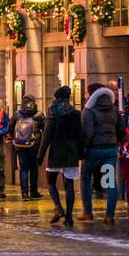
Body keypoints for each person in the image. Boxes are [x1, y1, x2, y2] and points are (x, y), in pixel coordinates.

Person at [80, 83, 123, 224]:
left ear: (92, 95)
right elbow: (121, 129)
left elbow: (87, 133)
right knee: (110, 181)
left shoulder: (89, 111)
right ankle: (109, 216)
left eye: (87, 93)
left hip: (94, 150)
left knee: (86, 177)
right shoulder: (114, 110)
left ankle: (88, 212)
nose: (86, 95)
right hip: (110, 150)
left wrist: (83, 149)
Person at [39, 86, 82, 227]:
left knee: (50, 181)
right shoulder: (76, 113)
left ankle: (58, 207)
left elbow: (46, 136)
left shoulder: (52, 113)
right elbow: (79, 135)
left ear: (56, 98)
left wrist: (40, 155)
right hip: (71, 152)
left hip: (56, 152)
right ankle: (69, 217)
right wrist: (80, 153)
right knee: (69, 184)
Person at [9, 95, 45, 200]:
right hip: (34, 145)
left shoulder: (17, 114)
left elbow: (11, 128)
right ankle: (33, 191)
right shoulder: (39, 115)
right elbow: (45, 128)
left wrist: (14, 138)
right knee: (34, 168)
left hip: (20, 146)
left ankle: (24, 193)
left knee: (23, 169)